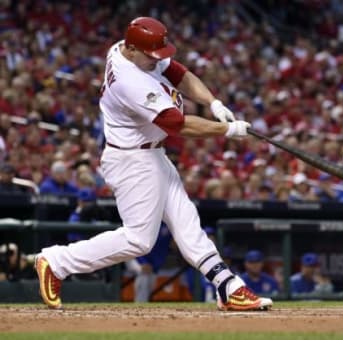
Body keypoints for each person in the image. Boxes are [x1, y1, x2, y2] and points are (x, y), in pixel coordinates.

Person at [34, 16, 272, 311]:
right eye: (150, 55)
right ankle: (56, 261)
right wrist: (227, 130)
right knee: (138, 241)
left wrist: (213, 103)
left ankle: (228, 286)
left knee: (187, 223)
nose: (156, 60)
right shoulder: (129, 80)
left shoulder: (128, 49)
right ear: (132, 50)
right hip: (131, 158)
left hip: (151, 153)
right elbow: (176, 124)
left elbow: (177, 73)